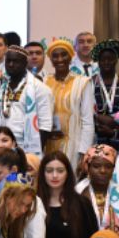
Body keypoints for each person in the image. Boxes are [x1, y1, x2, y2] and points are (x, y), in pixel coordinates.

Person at [0, 46, 54, 156]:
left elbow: (45, 126)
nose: (11, 64)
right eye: (8, 61)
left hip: (25, 148)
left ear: (25, 63)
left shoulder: (41, 89)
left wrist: (32, 156)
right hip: (2, 146)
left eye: (16, 61)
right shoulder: (3, 86)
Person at [37, 151, 97, 238]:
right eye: (49, 171)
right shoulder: (34, 203)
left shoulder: (82, 204)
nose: (55, 175)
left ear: (67, 173)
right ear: (42, 174)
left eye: (60, 171)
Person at [43, 39, 95, 167]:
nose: (60, 59)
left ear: (71, 57)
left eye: (64, 55)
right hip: (47, 144)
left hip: (73, 146)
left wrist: (83, 152)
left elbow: (88, 120)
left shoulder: (83, 82)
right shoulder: (44, 82)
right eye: (55, 56)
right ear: (51, 60)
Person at [75, 144, 119, 233]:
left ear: (113, 169)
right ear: (88, 167)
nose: (103, 170)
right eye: (96, 166)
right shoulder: (78, 192)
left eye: (108, 167)